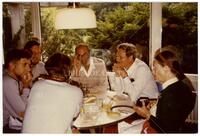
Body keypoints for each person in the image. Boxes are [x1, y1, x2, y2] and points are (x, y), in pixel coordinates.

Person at [133, 49, 195, 133]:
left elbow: (167, 130)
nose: (153, 72)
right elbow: (172, 113)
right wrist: (158, 104)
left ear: (166, 68)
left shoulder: (169, 95)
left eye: (155, 68)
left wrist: (147, 114)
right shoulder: (180, 86)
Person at [22, 53, 83, 133]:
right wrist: (77, 72)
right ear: (69, 70)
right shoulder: (76, 92)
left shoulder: (37, 85)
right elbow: (74, 116)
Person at [3, 49, 32, 133]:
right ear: (11, 65)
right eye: (24, 64)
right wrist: (26, 87)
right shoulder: (7, 82)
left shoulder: (16, 79)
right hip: (6, 127)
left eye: (29, 65)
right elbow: (23, 113)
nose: (28, 69)